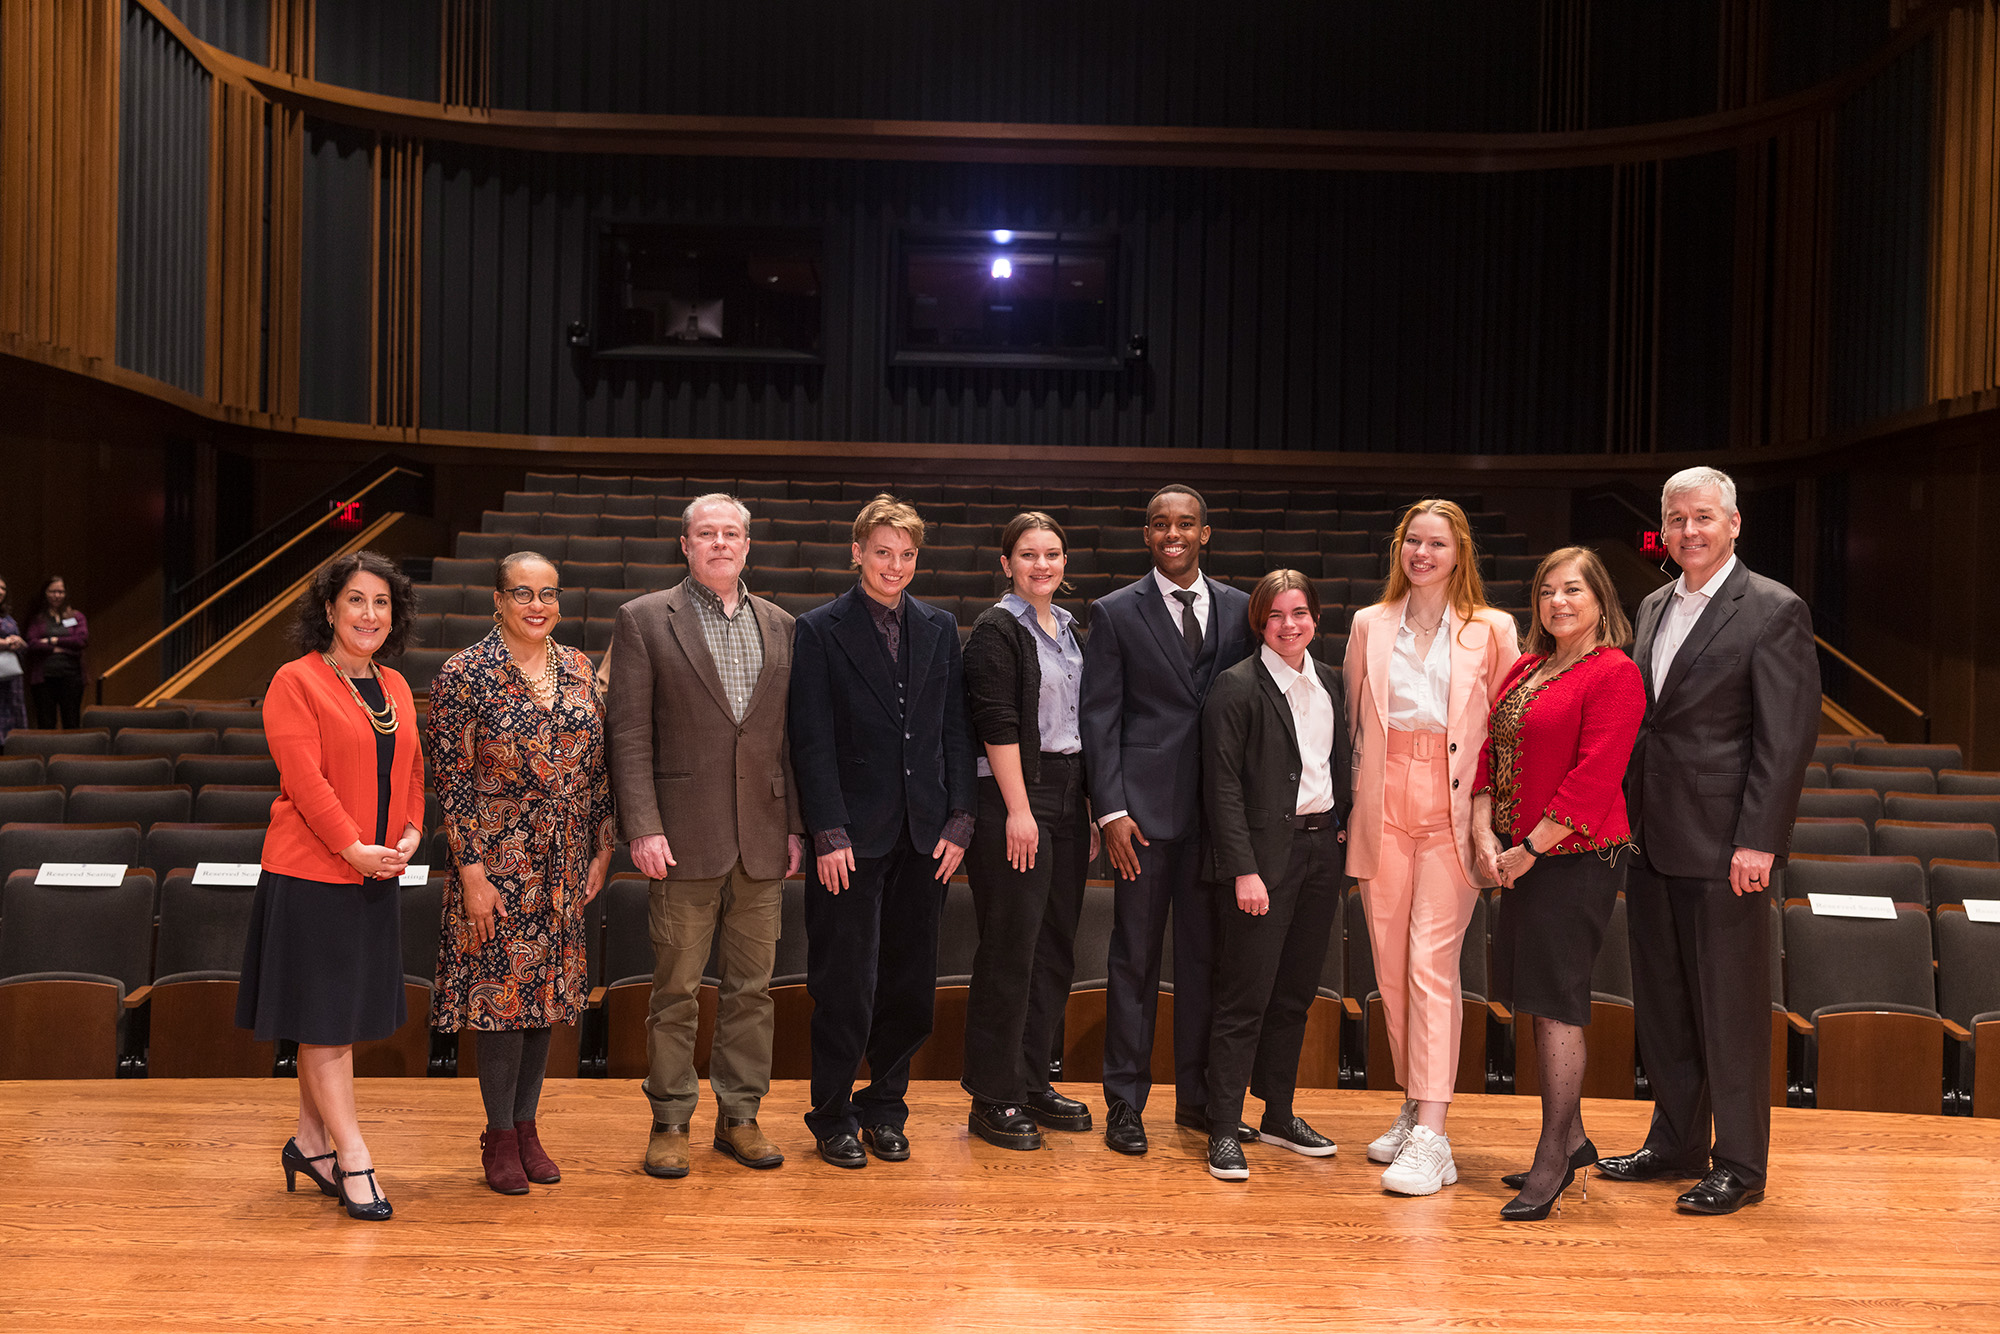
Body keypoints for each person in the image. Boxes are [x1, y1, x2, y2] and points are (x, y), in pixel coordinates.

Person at [1598, 466, 1818, 1216]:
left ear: (1732, 524)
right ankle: (1677, 1143)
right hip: (1653, 838)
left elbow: (1783, 740)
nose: (1688, 532)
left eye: (1702, 518)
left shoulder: (1772, 608)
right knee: (1664, 1005)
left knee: (1728, 1012)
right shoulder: (1654, 602)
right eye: (1676, 520)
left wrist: (1758, 841)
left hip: (1726, 846)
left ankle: (1741, 1165)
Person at [607, 495, 804, 1181]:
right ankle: (668, 1121)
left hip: (763, 837)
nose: (720, 543)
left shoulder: (782, 625)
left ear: (748, 545)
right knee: (676, 990)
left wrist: (797, 827)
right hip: (681, 839)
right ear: (684, 546)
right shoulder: (643, 620)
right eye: (706, 533)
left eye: (731, 533)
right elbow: (628, 733)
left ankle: (740, 1117)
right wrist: (643, 825)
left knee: (753, 989)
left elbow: (788, 740)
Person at [236, 550, 426, 1222]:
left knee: (338, 1020)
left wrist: (408, 834)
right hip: (314, 872)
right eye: (356, 600)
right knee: (327, 1026)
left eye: (381, 603)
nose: (369, 614)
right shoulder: (297, 680)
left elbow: (412, 772)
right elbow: (305, 780)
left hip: (375, 870)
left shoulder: (397, 686)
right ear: (328, 609)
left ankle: (310, 1142)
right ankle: (353, 1155)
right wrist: (353, 847)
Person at [789, 494, 977, 1168]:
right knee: (845, 984)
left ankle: (886, 1106)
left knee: (908, 984)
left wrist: (961, 817)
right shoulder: (818, 629)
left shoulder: (940, 627)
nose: (893, 565)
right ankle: (832, 1113)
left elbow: (955, 730)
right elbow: (809, 738)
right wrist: (827, 831)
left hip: (926, 836)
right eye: (881, 552)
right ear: (857, 552)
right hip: (851, 840)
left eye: (905, 555)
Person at [1342, 500, 1519, 1196]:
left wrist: (1491, 821)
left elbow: (1509, 733)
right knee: (1389, 971)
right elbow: (1354, 725)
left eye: (1436, 543)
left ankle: (1436, 1136)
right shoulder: (1369, 624)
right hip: (1382, 803)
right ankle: (1415, 1105)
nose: (1422, 552)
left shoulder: (1493, 628)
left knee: (1430, 966)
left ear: (1459, 552)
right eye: (1412, 541)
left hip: (1454, 809)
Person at [429, 551, 616, 1196]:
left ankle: (528, 1125)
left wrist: (601, 845)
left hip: (563, 859)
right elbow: (451, 785)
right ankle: (499, 1135)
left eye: (547, 593)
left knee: (543, 1000)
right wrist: (472, 872)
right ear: (498, 601)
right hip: (497, 861)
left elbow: (597, 766)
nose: (537, 605)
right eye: (522, 593)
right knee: (501, 1003)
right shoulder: (466, 674)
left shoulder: (578, 668)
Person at [1080, 484, 1254, 1156]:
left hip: (1217, 819)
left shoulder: (1242, 610)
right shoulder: (1116, 611)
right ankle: (1125, 1103)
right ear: (1146, 534)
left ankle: (1200, 1100)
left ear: (1205, 533)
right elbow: (1099, 717)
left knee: (1207, 964)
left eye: (1186, 524)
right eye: (1160, 524)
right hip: (1141, 821)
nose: (1173, 534)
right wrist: (1111, 812)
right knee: (1134, 961)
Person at [1473, 546, 1645, 1221]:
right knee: (1534, 997)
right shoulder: (1528, 665)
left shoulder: (1615, 673)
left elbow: (1597, 775)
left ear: (1601, 597)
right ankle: (1573, 1140)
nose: (1558, 603)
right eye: (1547, 591)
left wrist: (1529, 851)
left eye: (1573, 590)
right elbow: (1490, 750)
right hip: (1519, 854)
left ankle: (1553, 1153)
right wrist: (1487, 832)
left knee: (1558, 1002)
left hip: (1573, 860)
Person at [1198, 570, 1351, 1181]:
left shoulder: (1331, 682)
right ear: (1260, 623)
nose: (1290, 625)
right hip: (1264, 863)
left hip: (1320, 858)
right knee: (1245, 998)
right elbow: (1223, 790)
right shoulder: (1235, 688)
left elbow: (1337, 766)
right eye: (1277, 615)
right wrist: (1244, 870)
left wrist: (1341, 829)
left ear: (1315, 616)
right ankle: (1223, 1126)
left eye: (1301, 613)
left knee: (1294, 996)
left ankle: (1280, 1114)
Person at [960, 512, 1100, 1150]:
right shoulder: (997, 630)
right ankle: (993, 1096)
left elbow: (1084, 724)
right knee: (1010, 948)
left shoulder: (1071, 631)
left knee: (1054, 947)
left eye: (1052, 554)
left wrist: (1091, 808)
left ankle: (1032, 1079)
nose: (1041, 565)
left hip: (1068, 795)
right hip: (1018, 795)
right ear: (1006, 564)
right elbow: (996, 722)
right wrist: (1019, 809)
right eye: (1028, 555)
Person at [24, 575, 88, 729]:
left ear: (66, 594)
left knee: (71, 720)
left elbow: (80, 641)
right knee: (46, 722)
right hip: (44, 678)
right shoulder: (38, 619)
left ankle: (71, 754)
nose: (57, 595)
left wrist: (52, 640)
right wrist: (56, 649)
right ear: (45, 593)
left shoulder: (76, 616)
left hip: (71, 676)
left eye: (60, 592)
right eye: (53, 591)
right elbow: (32, 643)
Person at [0, 578, 27, 742]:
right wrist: (5, 643)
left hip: (10, 677)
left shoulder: (7, 617)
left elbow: (23, 645)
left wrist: (20, 642)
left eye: (3, 588)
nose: (0, 591)